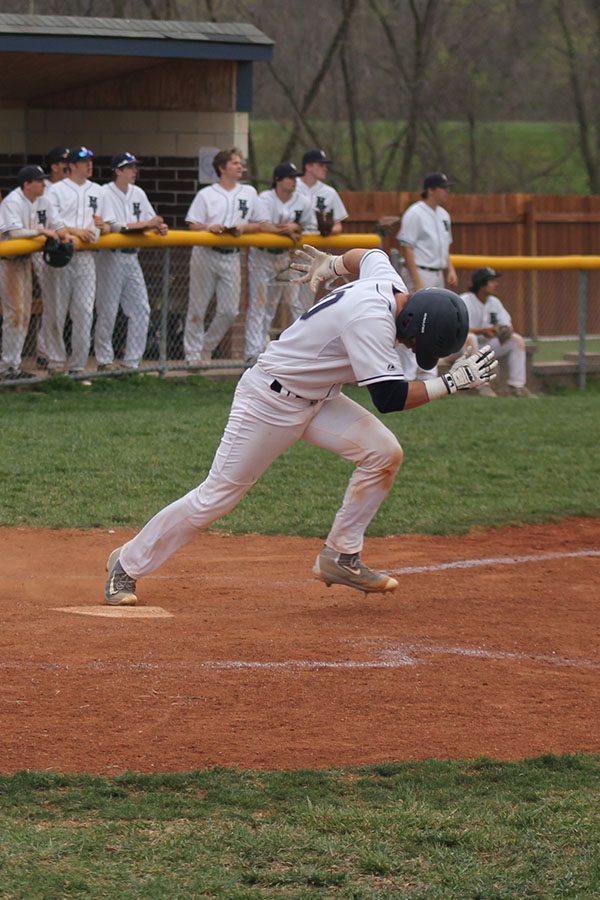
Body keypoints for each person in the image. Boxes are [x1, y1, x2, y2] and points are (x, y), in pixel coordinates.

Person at [103, 243, 497, 606]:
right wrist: (451, 383)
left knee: (383, 453)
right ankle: (127, 564)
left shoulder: (390, 283)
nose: (411, 348)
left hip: (318, 399)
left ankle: (341, 555)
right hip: (269, 402)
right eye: (415, 343)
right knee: (215, 497)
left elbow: (370, 254)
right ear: (412, 320)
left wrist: (335, 264)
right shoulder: (372, 323)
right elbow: (390, 398)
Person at [184, 147, 264, 364]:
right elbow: (192, 225)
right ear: (222, 168)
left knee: (229, 310)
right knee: (197, 307)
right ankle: (192, 356)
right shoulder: (206, 194)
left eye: (241, 163)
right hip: (205, 254)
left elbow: (262, 223)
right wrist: (209, 227)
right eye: (235, 163)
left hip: (231, 255)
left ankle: (206, 347)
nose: (240, 166)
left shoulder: (249, 192)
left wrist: (244, 228)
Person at [94, 152, 168, 372]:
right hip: (111, 255)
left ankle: (132, 362)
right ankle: (104, 360)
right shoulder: (104, 192)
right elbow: (116, 226)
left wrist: (157, 226)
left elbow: (151, 219)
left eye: (135, 167)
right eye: (129, 167)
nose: (134, 171)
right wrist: (147, 223)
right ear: (118, 170)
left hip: (132, 256)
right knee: (107, 309)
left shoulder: (138, 193)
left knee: (141, 309)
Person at [244, 161, 314, 364]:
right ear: (277, 180)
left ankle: (277, 350)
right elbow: (262, 225)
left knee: (280, 304)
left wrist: (296, 227)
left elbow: (311, 228)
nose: (294, 181)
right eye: (289, 177)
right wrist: (288, 230)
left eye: (295, 177)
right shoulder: (265, 198)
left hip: (286, 256)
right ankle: (252, 352)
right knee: (259, 304)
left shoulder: (302, 201)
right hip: (262, 256)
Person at [44, 146, 105, 374]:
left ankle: (78, 365)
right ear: (71, 165)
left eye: (90, 160)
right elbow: (53, 221)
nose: (89, 164)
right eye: (83, 161)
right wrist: (76, 231)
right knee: (57, 310)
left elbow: (100, 224)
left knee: (84, 310)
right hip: (61, 255)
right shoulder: (57, 190)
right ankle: (56, 363)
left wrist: (90, 232)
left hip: (86, 256)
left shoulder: (98, 190)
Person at [396, 172, 458, 381]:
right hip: (419, 271)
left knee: (434, 323)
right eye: (443, 187)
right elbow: (407, 247)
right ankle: (406, 373)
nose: (447, 191)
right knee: (410, 322)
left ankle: (428, 373)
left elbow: (446, 247)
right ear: (431, 189)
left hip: (436, 273)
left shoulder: (443, 215)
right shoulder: (415, 213)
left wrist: (450, 268)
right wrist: (416, 280)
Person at [0, 165, 56, 380]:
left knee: (23, 315)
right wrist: (41, 232)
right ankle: (7, 367)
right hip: (8, 262)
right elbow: (14, 233)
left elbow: (54, 224)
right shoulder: (13, 201)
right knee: (14, 314)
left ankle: (14, 365)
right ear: (27, 184)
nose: (44, 183)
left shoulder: (42, 200)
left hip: (25, 262)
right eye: (39, 180)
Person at [461, 267, 534, 397]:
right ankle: (482, 386)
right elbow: (457, 329)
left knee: (516, 340)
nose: (496, 284)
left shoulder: (494, 302)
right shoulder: (464, 300)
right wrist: (483, 330)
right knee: (471, 337)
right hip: (459, 349)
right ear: (481, 283)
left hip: (483, 346)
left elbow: (507, 325)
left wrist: (499, 330)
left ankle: (517, 386)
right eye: (492, 281)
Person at [293, 148, 349, 318]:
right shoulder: (292, 185)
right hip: (290, 249)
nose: (325, 168)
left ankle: (299, 339)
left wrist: (329, 229)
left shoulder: (329, 192)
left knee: (304, 301)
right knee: (286, 300)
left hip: (314, 252)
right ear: (308, 166)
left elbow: (339, 225)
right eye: (321, 164)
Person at [35, 146, 70, 368]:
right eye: (64, 163)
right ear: (54, 166)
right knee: (53, 302)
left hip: (60, 245)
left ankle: (44, 349)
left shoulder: (67, 188)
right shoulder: (45, 188)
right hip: (42, 249)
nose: (68, 167)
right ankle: (45, 351)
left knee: (56, 303)